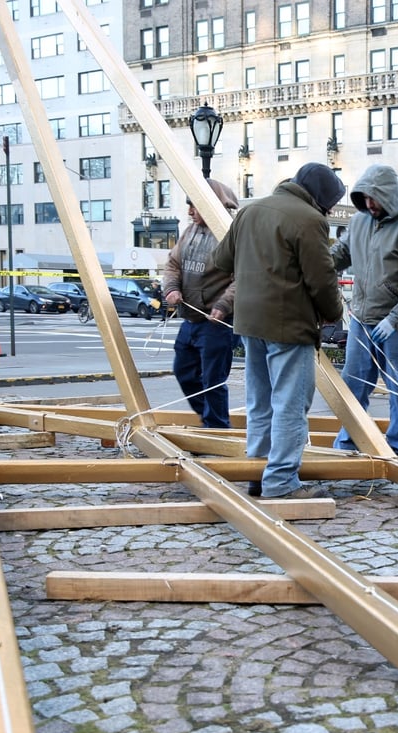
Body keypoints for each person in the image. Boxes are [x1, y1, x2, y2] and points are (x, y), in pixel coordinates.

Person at [213, 162, 346, 499]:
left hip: (248, 321)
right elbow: (322, 279)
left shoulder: (249, 210)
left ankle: (257, 473)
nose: (329, 210)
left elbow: (221, 259)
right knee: (290, 405)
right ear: (320, 199)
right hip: (289, 323)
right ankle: (282, 482)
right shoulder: (309, 220)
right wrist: (333, 314)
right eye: (330, 204)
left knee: (260, 403)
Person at [331, 164, 398, 458]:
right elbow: (340, 254)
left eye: (374, 198)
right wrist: (312, 263)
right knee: (353, 387)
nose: (369, 204)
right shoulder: (360, 222)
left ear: (389, 195)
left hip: (397, 326)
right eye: (364, 198)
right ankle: (349, 441)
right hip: (362, 321)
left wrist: (397, 318)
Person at [161, 179, 240, 429]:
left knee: (213, 380)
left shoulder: (229, 232)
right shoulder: (190, 231)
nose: (189, 211)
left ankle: (217, 429)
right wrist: (172, 288)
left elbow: (244, 276)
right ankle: (208, 419)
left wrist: (225, 304)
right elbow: (173, 263)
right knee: (183, 369)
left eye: (194, 206)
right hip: (192, 318)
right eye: (189, 205)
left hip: (217, 322)